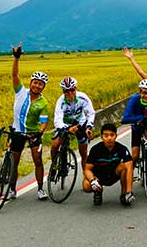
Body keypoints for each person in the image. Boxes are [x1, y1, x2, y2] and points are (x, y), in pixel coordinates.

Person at [8, 43, 50, 201]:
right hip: (18, 132)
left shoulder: (43, 103)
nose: (37, 85)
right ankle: (12, 189)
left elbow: (44, 121)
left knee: (37, 161)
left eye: (40, 84)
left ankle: (40, 189)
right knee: (14, 162)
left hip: (33, 133)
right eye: (35, 82)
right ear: (31, 82)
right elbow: (14, 75)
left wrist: (39, 132)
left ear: (43, 87)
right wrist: (16, 58)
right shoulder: (21, 92)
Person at [83, 123, 134, 206]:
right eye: (106, 135)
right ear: (102, 137)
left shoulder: (122, 148)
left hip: (114, 174)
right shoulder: (95, 149)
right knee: (86, 185)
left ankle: (124, 194)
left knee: (125, 166)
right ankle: (98, 191)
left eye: (112, 135)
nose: (109, 138)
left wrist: (129, 191)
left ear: (116, 136)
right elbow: (87, 169)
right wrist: (92, 180)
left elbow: (130, 168)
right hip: (99, 177)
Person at [51, 76, 95, 171]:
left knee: (83, 152)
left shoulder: (83, 98)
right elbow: (57, 119)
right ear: (63, 92)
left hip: (80, 123)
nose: (70, 93)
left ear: (76, 88)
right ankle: (54, 165)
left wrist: (89, 127)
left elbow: (90, 113)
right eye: (66, 91)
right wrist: (67, 129)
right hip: (65, 125)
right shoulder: (61, 101)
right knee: (55, 144)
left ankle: (87, 177)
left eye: (72, 90)